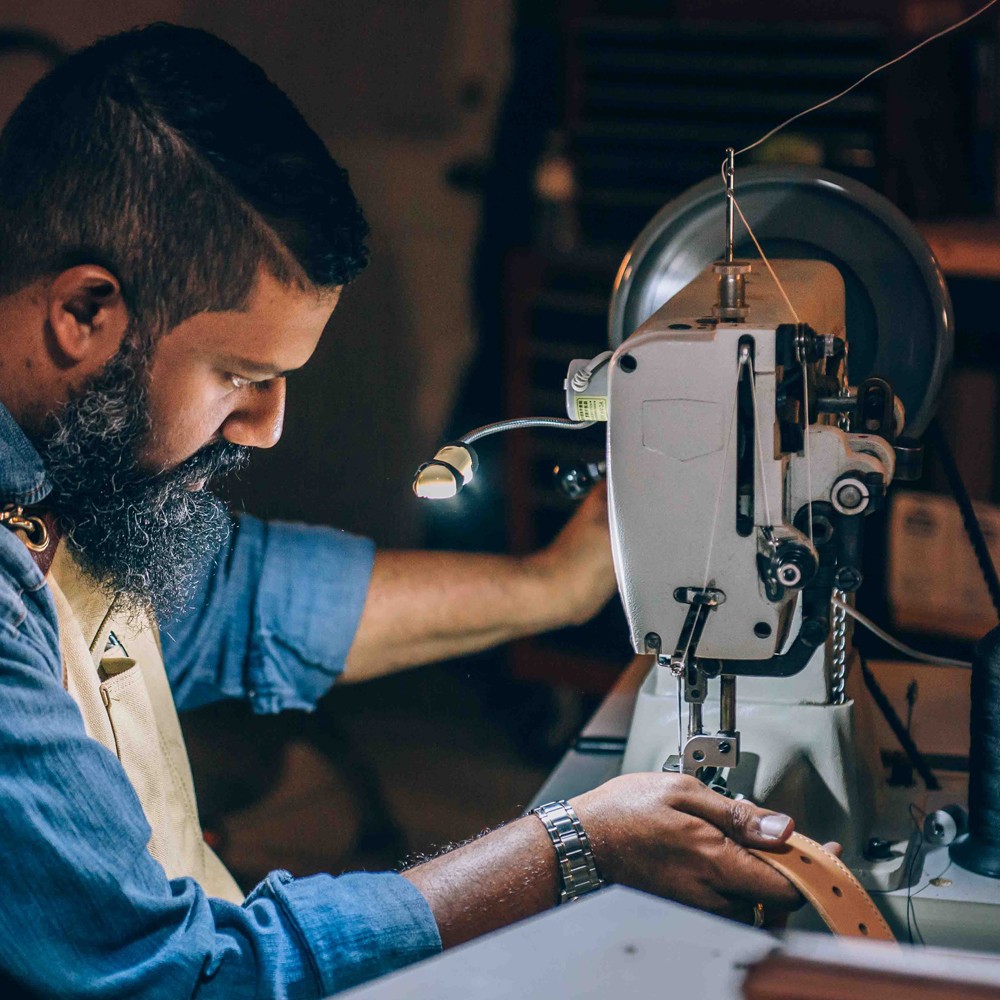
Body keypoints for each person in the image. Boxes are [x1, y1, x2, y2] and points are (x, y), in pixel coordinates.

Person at [0, 23, 805, 998]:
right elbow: (180, 977)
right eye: (240, 375)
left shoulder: (59, 486)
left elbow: (246, 596)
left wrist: (560, 581)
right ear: (84, 311)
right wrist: (566, 846)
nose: (263, 427)